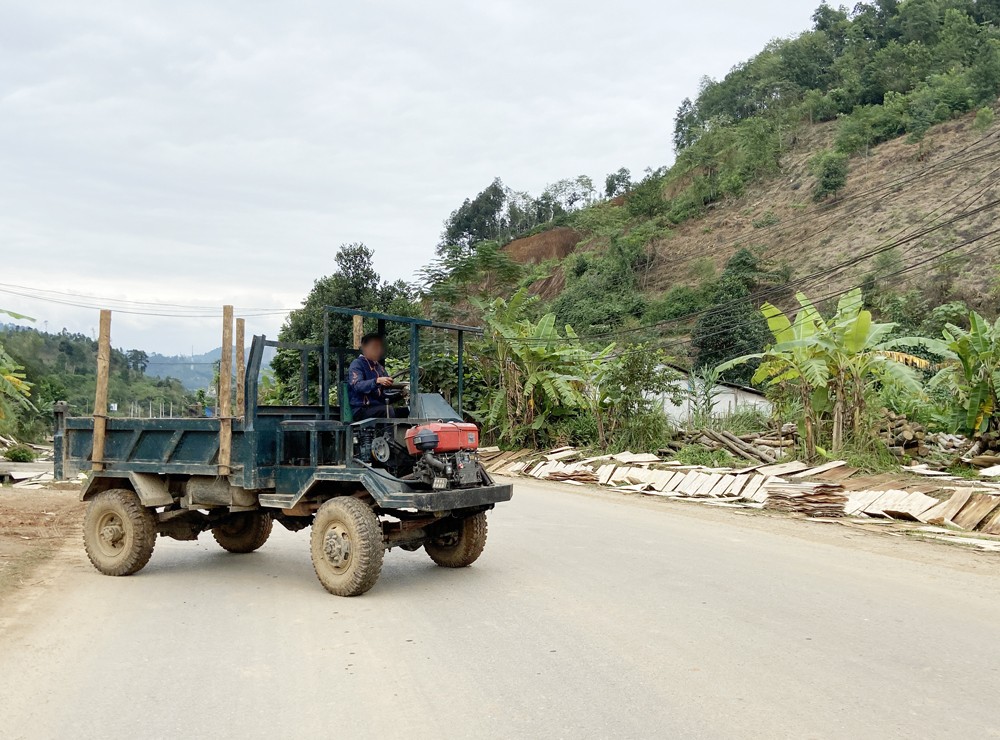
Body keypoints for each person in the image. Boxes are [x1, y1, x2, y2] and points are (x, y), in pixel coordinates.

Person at [347, 332, 406, 421]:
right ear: (365, 348)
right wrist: (377, 381)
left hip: (379, 408)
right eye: (375, 347)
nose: (378, 350)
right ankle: (389, 431)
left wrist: (401, 394)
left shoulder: (380, 368)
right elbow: (357, 385)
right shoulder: (357, 364)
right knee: (387, 411)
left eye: (380, 347)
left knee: (406, 411)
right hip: (362, 410)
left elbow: (386, 394)